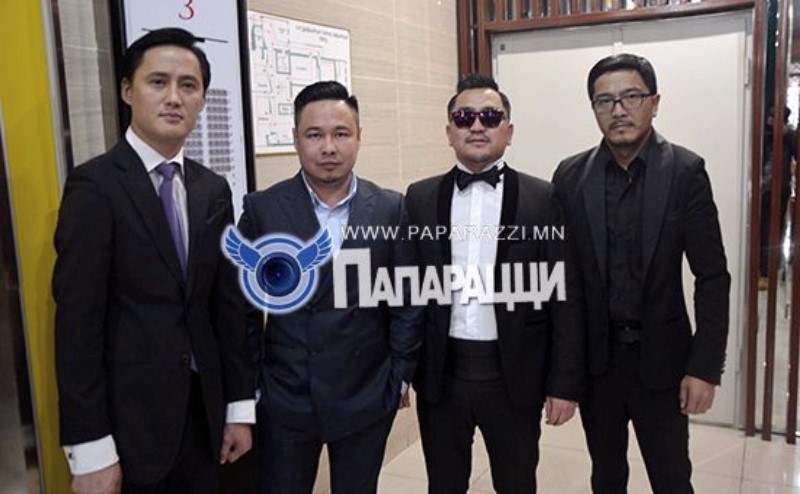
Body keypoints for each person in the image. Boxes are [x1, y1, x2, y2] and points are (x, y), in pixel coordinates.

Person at [53, 28, 254, 493]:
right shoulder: (94, 187)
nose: (174, 97)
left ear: (202, 99)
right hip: (130, 428)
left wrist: (239, 408)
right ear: (128, 91)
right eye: (158, 82)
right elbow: (78, 326)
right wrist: (91, 448)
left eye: (189, 85)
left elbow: (227, 306)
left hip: (205, 419)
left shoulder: (211, 189)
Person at [552, 53, 730, 493]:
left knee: (672, 479)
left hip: (664, 363)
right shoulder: (570, 177)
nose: (618, 110)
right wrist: (564, 375)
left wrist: (705, 367)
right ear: (594, 109)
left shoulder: (686, 172)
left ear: (654, 102)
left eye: (631, 96)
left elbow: (712, 276)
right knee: (606, 476)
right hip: (598, 365)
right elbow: (565, 285)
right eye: (605, 101)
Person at [237, 81, 423, 494]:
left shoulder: (390, 207)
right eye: (314, 135)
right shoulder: (263, 209)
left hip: (366, 392)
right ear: (295, 139)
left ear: (358, 137)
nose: (329, 148)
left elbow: (407, 299)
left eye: (341, 133)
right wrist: (253, 387)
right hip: (286, 396)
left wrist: (398, 376)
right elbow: (243, 310)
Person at [404, 74, 584, 493]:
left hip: (515, 375)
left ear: (509, 130)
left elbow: (566, 296)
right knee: (444, 484)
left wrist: (564, 384)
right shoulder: (419, 197)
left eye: (489, 117)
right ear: (449, 131)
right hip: (441, 376)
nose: (477, 126)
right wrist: (400, 371)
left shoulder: (544, 197)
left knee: (516, 483)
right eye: (464, 117)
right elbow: (406, 292)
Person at [760, 105, 796, 286]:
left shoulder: (789, 137)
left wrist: (786, 134)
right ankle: (764, 269)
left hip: (779, 191)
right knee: (762, 229)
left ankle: (770, 270)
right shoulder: (765, 135)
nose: (770, 122)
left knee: (775, 229)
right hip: (762, 190)